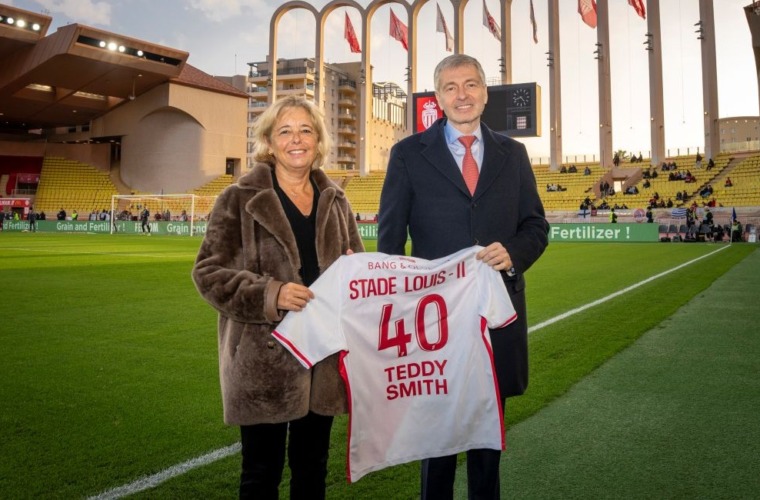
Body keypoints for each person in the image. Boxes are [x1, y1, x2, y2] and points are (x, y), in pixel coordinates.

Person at [377, 54, 549, 500]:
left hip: (496, 316)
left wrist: (512, 252)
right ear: (437, 97)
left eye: (471, 84)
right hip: (433, 322)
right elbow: (390, 243)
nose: (462, 95)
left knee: (488, 440)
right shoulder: (408, 154)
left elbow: (536, 227)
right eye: (451, 87)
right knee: (436, 442)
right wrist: (398, 314)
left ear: (485, 93)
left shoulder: (514, 154)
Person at [192, 95, 364, 499]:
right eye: (284, 131)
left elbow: (356, 268)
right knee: (260, 475)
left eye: (306, 130)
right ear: (268, 141)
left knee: (312, 471)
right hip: (263, 362)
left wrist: (354, 271)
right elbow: (208, 273)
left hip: (322, 359)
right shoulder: (237, 198)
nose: (296, 139)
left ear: (319, 140)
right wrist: (272, 294)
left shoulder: (336, 200)